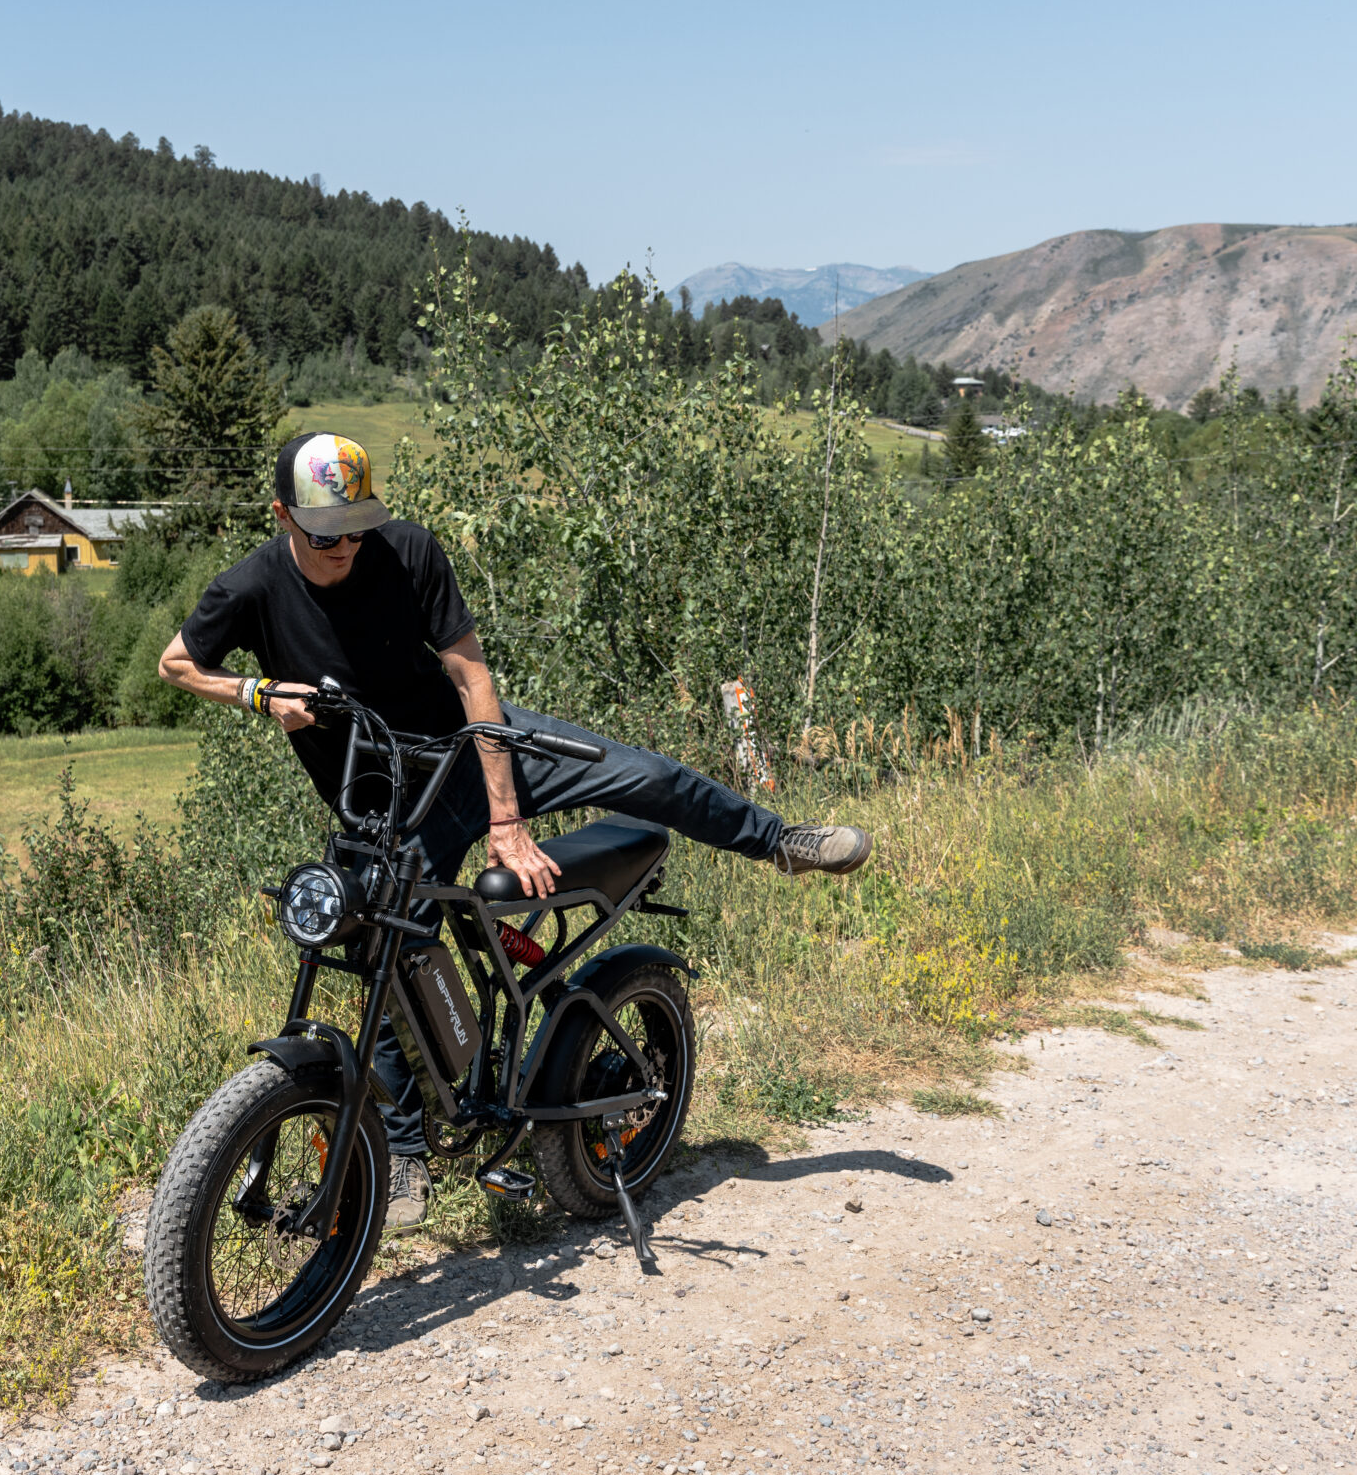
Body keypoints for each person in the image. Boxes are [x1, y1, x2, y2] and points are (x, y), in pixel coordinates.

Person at [158, 432, 871, 1225]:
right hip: (387, 804)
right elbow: (178, 662)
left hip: (469, 749)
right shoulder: (254, 584)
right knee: (374, 951)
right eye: (326, 532)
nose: (346, 545)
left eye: (358, 524)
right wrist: (261, 695)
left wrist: (506, 816)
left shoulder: (408, 553)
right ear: (283, 514)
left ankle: (779, 840)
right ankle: (404, 1159)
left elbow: (471, 674)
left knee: (646, 776)